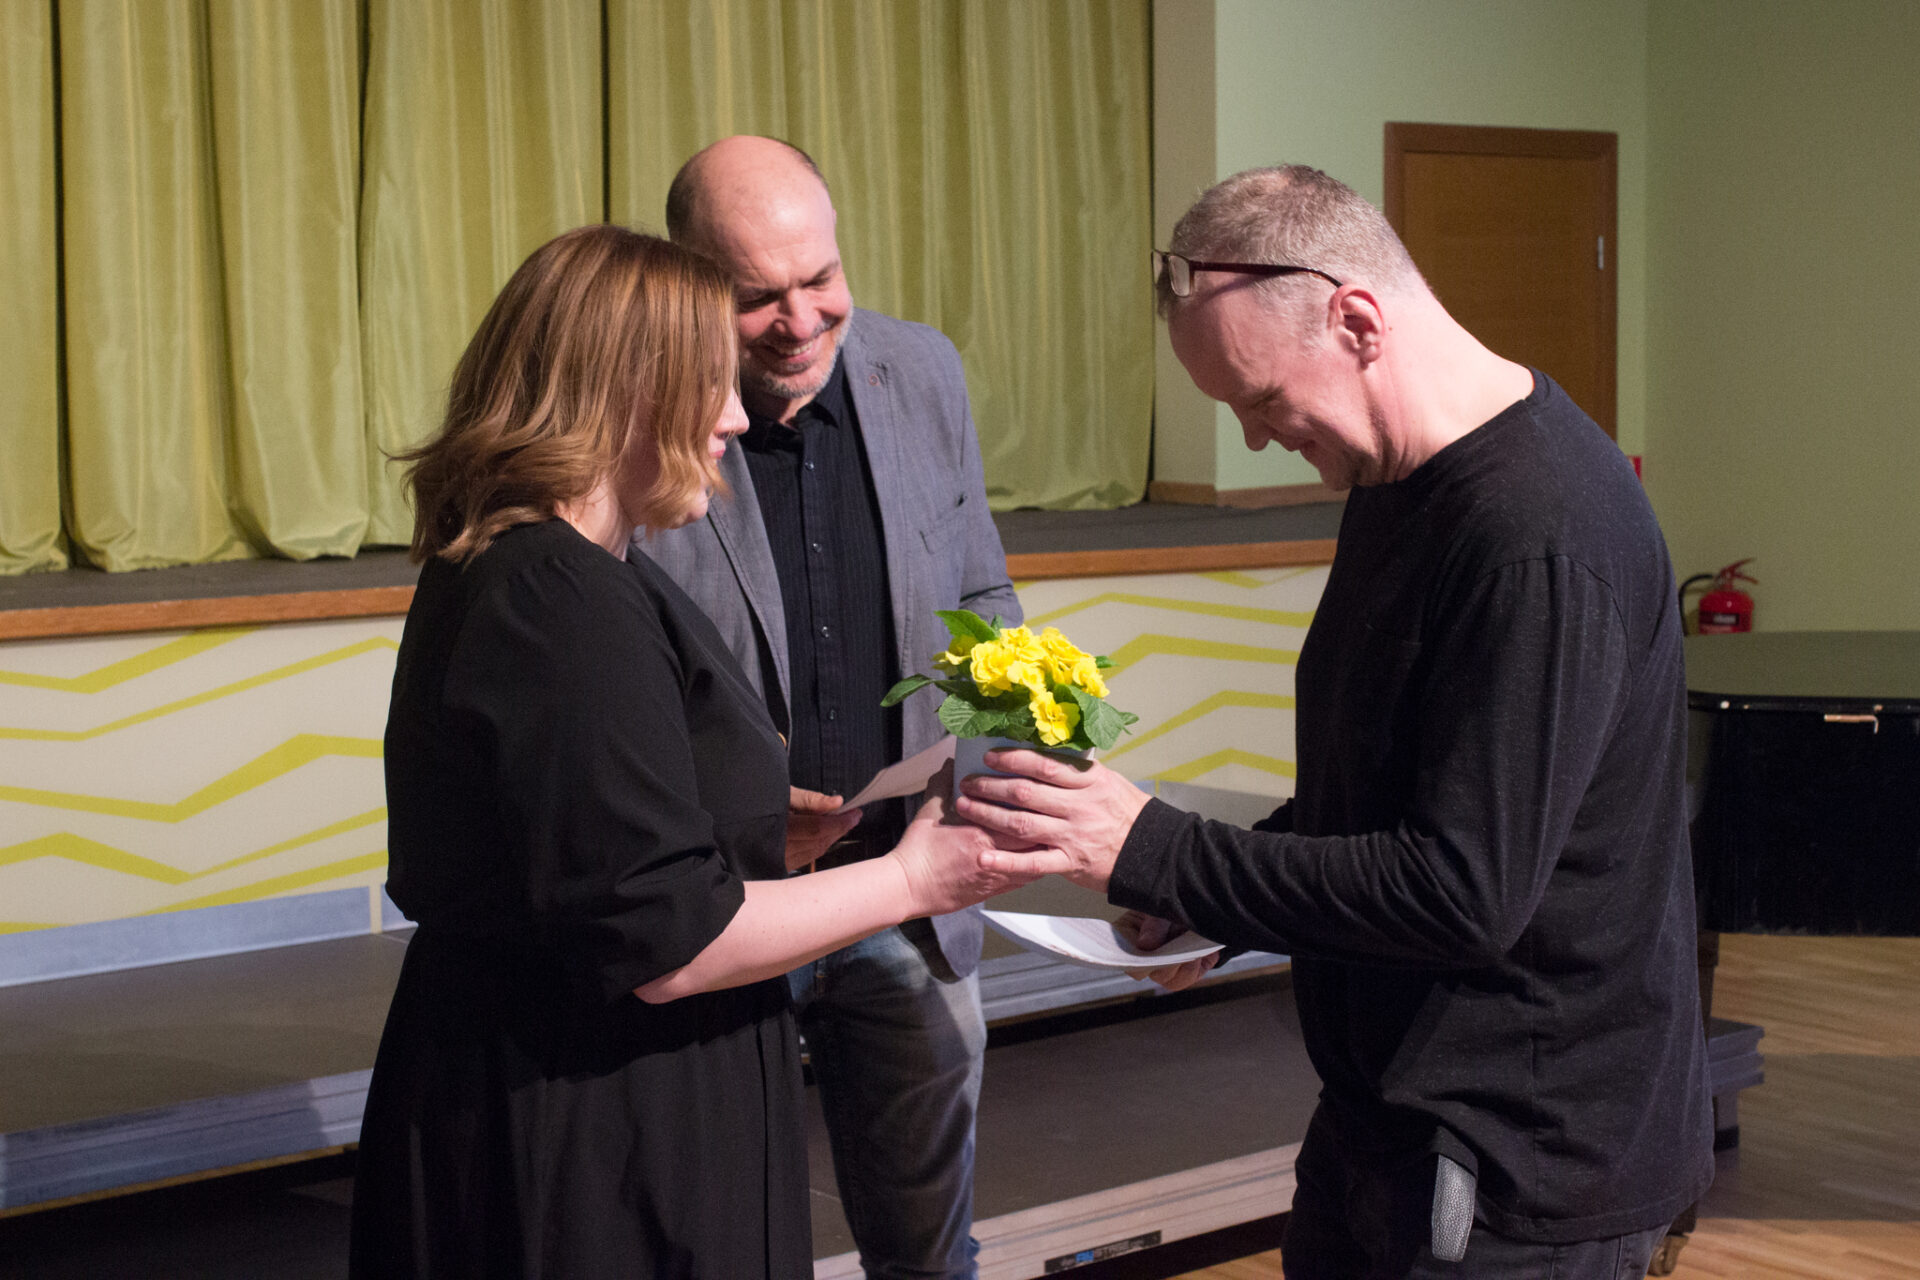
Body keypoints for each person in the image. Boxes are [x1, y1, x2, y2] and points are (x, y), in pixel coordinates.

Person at [960, 166, 1715, 1278]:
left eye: (1263, 400)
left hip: (1519, 1169)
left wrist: (1157, 848)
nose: (1259, 440)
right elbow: (1378, 793)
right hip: (1384, 1122)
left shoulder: (1540, 535)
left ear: (1358, 320)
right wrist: (1209, 899)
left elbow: (1462, 892)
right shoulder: (1397, 481)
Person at [349, 226, 1035, 1279]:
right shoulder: (553, 597)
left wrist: (740, 828)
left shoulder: (573, 571)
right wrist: (917, 876)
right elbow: (668, 942)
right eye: (710, 385)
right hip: (586, 1127)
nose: (734, 418)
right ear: (623, 393)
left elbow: (592, 836)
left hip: (610, 1097)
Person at [635, 136, 1020, 1280]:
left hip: (909, 896)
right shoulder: (638, 409)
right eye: (757, 295)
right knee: (722, 1244)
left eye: (821, 279)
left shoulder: (924, 369)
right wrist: (743, 811)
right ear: (686, 279)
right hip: (727, 910)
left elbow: (981, 595)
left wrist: (1003, 765)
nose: (800, 321)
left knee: (931, 1255)